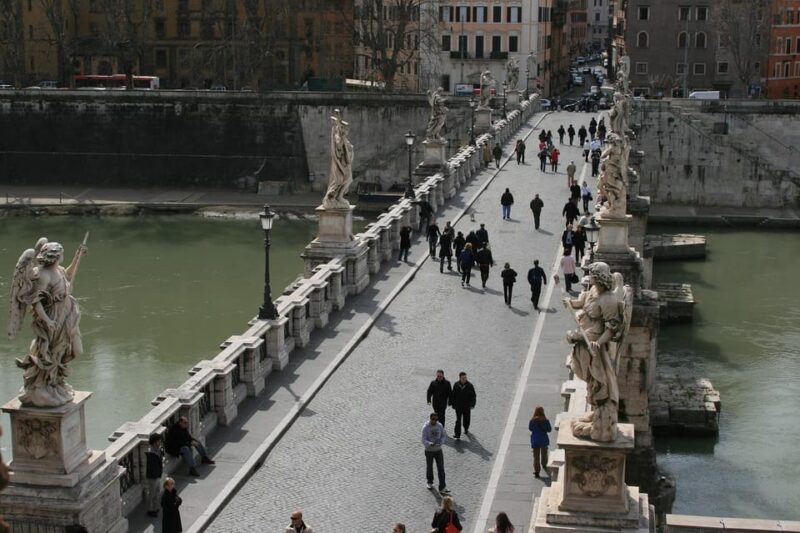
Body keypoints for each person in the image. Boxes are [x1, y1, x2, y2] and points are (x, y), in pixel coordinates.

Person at [422, 412, 450, 494]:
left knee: (441, 468)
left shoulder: (440, 426)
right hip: (429, 451)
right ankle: (429, 482)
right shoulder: (426, 427)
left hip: (438, 450)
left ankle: (442, 487)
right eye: (433, 419)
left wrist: (441, 442)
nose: (435, 421)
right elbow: (423, 439)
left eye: (436, 419)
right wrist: (429, 443)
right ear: (430, 419)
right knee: (429, 467)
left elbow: (444, 436)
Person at [451, 372, 477, 439]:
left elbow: (473, 396)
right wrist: (452, 403)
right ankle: (457, 434)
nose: (465, 379)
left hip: (466, 406)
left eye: (465, 378)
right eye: (463, 378)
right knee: (458, 420)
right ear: (460, 378)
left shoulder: (469, 385)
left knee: (466, 419)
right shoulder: (456, 384)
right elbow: (453, 394)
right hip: (458, 406)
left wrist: (472, 404)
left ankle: (466, 428)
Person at [529, 406, 552, 478]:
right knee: (544, 453)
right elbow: (549, 430)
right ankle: (544, 464)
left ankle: (537, 471)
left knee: (536, 456)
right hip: (543, 439)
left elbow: (530, 428)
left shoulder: (532, 421)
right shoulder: (545, 420)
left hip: (535, 440)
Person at [145, 433, 164, 518]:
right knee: (152, 493)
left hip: (157, 475)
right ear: (154, 441)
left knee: (157, 492)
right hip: (153, 476)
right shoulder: (151, 452)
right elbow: (152, 466)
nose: (160, 442)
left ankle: (156, 507)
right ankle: (150, 509)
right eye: (158, 441)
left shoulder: (157, 450)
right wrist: (156, 474)